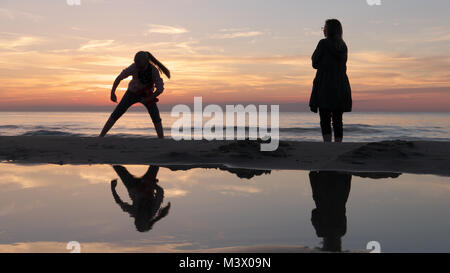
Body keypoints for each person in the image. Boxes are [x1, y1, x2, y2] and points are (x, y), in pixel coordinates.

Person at [99, 51, 171, 138]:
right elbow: (119, 78)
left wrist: (149, 98)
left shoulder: (154, 70)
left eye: (139, 63)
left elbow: (160, 89)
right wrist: (112, 92)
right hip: (132, 93)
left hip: (147, 95)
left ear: (146, 62)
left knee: (155, 116)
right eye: (135, 62)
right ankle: (101, 136)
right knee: (117, 113)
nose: (136, 65)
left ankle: (161, 139)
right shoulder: (133, 67)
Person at [309, 19, 352, 143]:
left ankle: (327, 144)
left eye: (325, 27)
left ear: (328, 30)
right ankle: (338, 144)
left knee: (325, 116)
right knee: (338, 118)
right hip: (340, 83)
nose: (323, 30)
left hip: (325, 83)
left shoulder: (323, 43)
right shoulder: (343, 46)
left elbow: (315, 63)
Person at [111, 165, 171, 232]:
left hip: (132, 186)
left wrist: (113, 188)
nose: (142, 215)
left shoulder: (134, 212)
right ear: (147, 219)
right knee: (155, 164)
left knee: (117, 167)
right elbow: (160, 191)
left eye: (139, 218)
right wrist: (150, 183)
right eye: (143, 218)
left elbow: (119, 202)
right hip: (147, 185)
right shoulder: (153, 210)